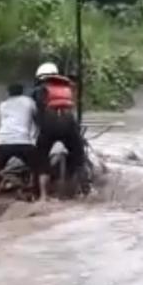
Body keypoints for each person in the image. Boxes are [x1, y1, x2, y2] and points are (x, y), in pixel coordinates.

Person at [31, 61, 85, 199]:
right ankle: (83, 189)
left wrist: (39, 127)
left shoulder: (38, 90)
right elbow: (71, 107)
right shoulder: (68, 88)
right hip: (69, 125)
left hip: (49, 126)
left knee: (41, 157)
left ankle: (40, 194)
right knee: (79, 156)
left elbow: (36, 112)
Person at [0, 83, 40, 201]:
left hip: (4, 141)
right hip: (23, 141)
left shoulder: (3, 105)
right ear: (22, 91)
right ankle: (33, 189)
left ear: (8, 93)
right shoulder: (29, 102)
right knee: (37, 165)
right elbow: (36, 117)